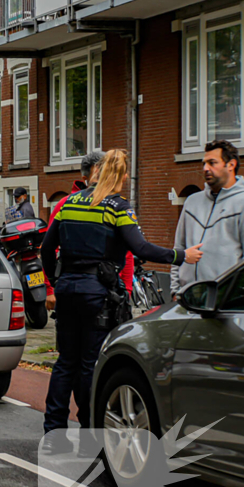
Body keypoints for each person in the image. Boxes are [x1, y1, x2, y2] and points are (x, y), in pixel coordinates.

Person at [39, 149, 203, 454]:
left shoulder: (68, 204)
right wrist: (182, 256)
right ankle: (90, 436)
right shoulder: (117, 207)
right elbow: (140, 248)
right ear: (122, 176)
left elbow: (47, 249)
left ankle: (53, 436)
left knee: (64, 364)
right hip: (96, 295)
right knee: (89, 365)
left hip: (67, 292)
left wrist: (56, 281)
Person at [170, 140, 244, 298]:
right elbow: (179, 248)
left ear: (231, 165)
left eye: (212, 163)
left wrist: (234, 299)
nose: (205, 168)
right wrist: (175, 290)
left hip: (223, 304)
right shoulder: (191, 202)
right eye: (204, 163)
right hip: (187, 300)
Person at [44, 151, 135, 311]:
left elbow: (127, 251)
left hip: (110, 288)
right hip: (79, 288)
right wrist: (51, 288)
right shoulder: (67, 204)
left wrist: (126, 289)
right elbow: (49, 247)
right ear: (85, 179)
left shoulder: (114, 205)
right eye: (98, 175)